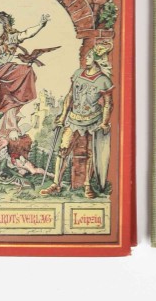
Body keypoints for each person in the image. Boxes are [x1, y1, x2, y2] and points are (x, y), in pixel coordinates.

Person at [40, 40, 114, 199]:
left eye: (89, 56)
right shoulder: (78, 74)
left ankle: (87, 185)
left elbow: (108, 103)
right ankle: (56, 184)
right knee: (63, 150)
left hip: (93, 120)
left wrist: (104, 123)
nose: (86, 59)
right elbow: (70, 96)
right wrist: (62, 115)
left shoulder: (104, 80)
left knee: (90, 153)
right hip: (73, 119)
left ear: (96, 60)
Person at [0, 11, 50, 138]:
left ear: (6, 24)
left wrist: (40, 25)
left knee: (26, 70)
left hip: (1, 71)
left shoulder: (11, 37)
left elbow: (27, 34)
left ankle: (9, 125)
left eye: (0, 22)